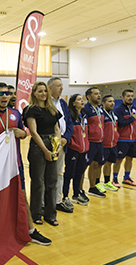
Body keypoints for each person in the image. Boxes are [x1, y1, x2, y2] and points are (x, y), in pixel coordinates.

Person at [0, 82, 51, 245]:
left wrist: (22, 133)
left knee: (22, 196)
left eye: (7, 93)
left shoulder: (15, 113)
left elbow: (23, 133)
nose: (4, 96)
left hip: (15, 164)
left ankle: (31, 230)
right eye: (0, 93)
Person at [23, 81, 62, 227]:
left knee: (52, 181)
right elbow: (33, 132)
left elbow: (56, 128)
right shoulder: (30, 110)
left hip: (53, 143)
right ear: (34, 93)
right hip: (38, 146)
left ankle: (50, 214)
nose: (43, 94)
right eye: (40, 91)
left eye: (45, 91)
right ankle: (36, 213)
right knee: (38, 182)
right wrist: (45, 150)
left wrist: (57, 147)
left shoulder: (51, 109)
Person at [48, 77, 74, 213]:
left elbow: (69, 122)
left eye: (62, 85)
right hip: (49, 142)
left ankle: (57, 201)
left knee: (59, 173)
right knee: (47, 175)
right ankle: (44, 203)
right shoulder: (45, 102)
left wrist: (65, 138)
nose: (61, 88)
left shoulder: (63, 103)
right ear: (50, 87)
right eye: (58, 85)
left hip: (62, 143)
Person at [63, 94, 90, 206]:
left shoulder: (84, 116)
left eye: (82, 99)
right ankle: (64, 196)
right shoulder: (70, 116)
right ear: (73, 103)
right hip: (73, 150)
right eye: (79, 99)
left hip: (83, 150)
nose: (82, 101)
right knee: (69, 174)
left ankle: (76, 194)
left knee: (79, 173)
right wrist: (72, 144)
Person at [82, 87, 106, 198]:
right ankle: (79, 189)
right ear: (89, 96)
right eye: (96, 94)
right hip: (90, 142)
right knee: (84, 166)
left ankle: (92, 188)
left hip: (99, 142)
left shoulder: (100, 108)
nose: (99, 96)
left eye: (99, 93)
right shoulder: (85, 109)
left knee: (95, 165)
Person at [113, 89, 136, 187]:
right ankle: (114, 178)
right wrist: (132, 118)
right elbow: (119, 124)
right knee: (119, 160)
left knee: (130, 159)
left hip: (133, 140)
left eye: (131, 96)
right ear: (123, 97)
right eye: (128, 96)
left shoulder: (135, 109)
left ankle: (126, 178)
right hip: (122, 140)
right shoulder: (118, 110)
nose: (130, 98)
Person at [100, 95, 119, 191]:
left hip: (113, 144)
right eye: (109, 101)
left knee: (109, 164)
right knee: (99, 165)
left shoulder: (113, 114)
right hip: (104, 144)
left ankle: (107, 182)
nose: (112, 103)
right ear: (103, 103)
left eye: (113, 101)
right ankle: (96, 183)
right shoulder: (101, 114)